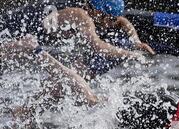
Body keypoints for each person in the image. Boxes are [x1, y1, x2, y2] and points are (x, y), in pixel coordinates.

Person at [0, 0, 153, 79]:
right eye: (107, 18)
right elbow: (97, 46)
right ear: (95, 10)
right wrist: (130, 54)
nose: (110, 24)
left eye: (112, 19)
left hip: (23, 36)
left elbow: (122, 21)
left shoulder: (96, 11)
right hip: (10, 32)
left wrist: (135, 40)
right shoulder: (81, 15)